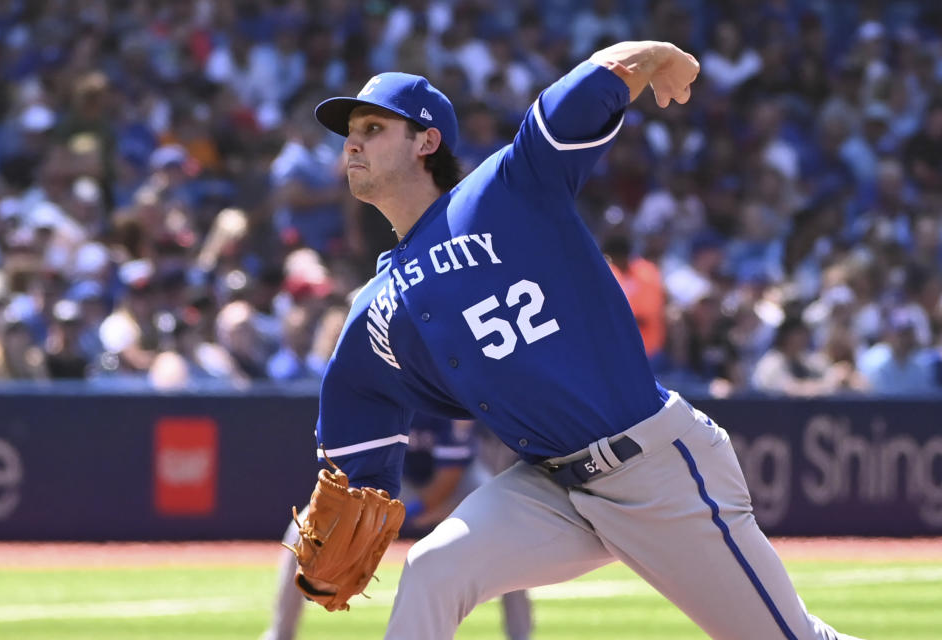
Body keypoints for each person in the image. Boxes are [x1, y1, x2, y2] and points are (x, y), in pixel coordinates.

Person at [300, 40, 862, 639]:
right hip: (550, 487)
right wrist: (355, 488)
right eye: (350, 132)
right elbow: (357, 411)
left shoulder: (503, 191)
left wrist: (655, 55)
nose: (352, 142)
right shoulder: (377, 305)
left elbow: (575, 97)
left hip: (653, 469)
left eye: (373, 126)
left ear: (427, 141)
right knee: (434, 568)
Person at [261, 415, 533, 640]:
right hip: (396, 483)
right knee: (299, 531)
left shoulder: (442, 392)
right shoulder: (377, 396)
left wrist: (407, 515)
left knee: (504, 532)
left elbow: (448, 477)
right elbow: (359, 466)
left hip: (458, 481)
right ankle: (280, 633)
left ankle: (520, 635)